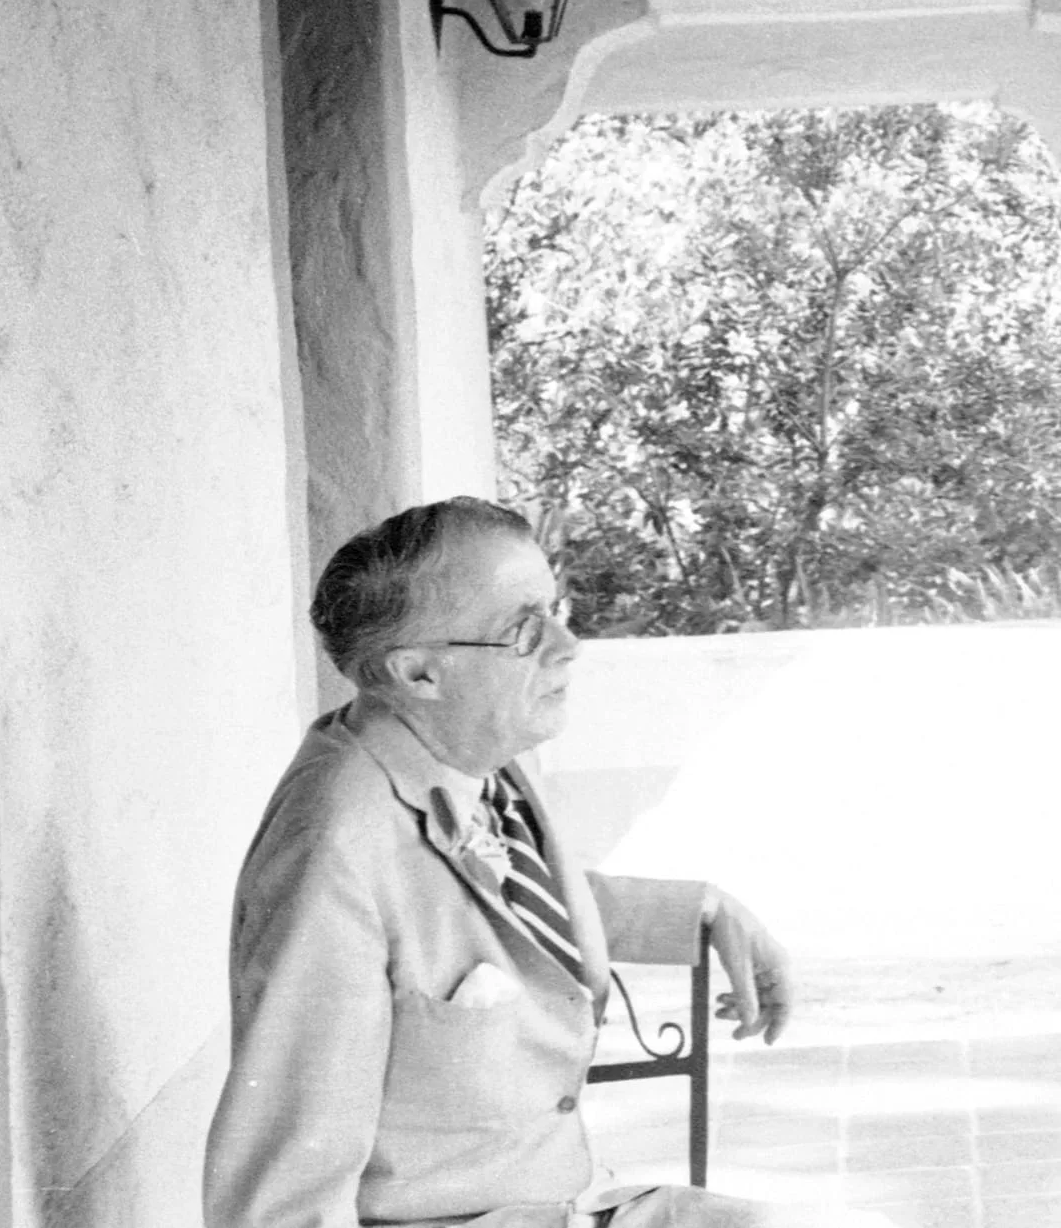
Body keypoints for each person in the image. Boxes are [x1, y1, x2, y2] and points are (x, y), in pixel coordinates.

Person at [205, 497, 850, 1228]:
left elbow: (509, 904)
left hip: (572, 1200)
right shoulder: (332, 850)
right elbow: (282, 1190)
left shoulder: (473, 752)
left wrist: (703, 908)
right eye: (523, 629)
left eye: (554, 608)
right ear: (418, 672)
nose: (568, 644)